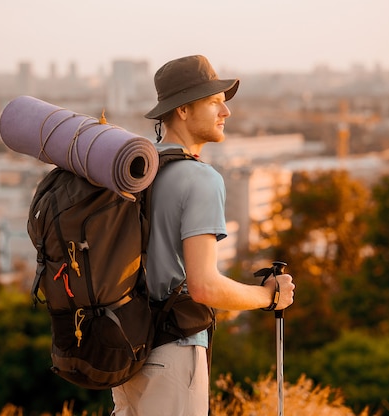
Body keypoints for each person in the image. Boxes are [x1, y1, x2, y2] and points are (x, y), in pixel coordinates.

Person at [111, 55, 295, 416]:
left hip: (128, 350)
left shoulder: (138, 173)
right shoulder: (201, 179)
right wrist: (268, 297)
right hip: (174, 354)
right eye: (214, 102)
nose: (226, 112)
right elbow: (204, 287)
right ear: (182, 110)